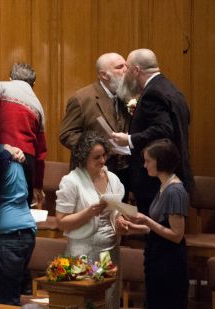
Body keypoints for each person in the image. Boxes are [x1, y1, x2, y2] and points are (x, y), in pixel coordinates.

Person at [110, 48, 193, 215]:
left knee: (156, 233)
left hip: (155, 180)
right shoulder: (172, 90)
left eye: (128, 68)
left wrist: (129, 139)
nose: (125, 73)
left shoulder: (152, 93)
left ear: (136, 70)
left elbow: (163, 130)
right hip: (174, 173)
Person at [116, 139, 189, 309]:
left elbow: (176, 235)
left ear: (160, 162)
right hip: (158, 257)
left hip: (169, 263)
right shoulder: (164, 185)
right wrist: (136, 229)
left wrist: (146, 220)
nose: (144, 165)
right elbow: (160, 226)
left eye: (148, 161)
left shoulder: (175, 191)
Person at [55, 132, 124, 309]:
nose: (102, 161)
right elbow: (61, 221)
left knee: (110, 299)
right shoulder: (71, 181)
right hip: (83, 251)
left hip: (110, 250)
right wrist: (88, 213)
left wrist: (121, 220)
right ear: (83, 158)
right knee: (87, 302)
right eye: (96, 157)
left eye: (104, 155)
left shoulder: (113, 179)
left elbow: (117, 211)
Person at [59, 53, 131, 195]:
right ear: (104, 75)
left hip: (120, 175)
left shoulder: (126, 97)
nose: (125, 70)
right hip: (91, 174)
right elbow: (67, 134)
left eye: (126, 66)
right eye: (120, 67)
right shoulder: (82, 99)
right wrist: (97, 149)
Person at [0, 146, 37, 306]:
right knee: (5, 297)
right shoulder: (16, 156)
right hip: (26, 232)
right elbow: (29, 194)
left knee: (1, 303)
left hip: (4, 237)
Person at [0, 62, 47, 207]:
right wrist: (38, 186)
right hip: (27, 161)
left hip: (2, 154)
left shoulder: (0, 87)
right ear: (33, 83)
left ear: (10, 77)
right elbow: (41, 153)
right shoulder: (38, 105)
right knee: (22, 208)